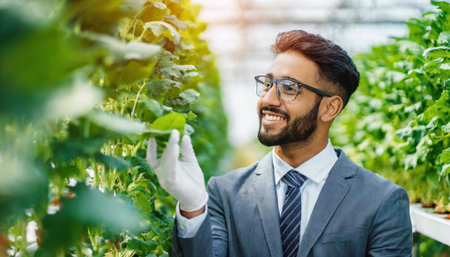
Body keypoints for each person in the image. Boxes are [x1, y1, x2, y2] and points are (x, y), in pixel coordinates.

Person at [146, 30, 413, 257]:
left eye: (288, 88)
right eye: (267, 84)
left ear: (330, 108)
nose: (268, 100)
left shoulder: (381, 201)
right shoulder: (224, 193)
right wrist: (193, 208)